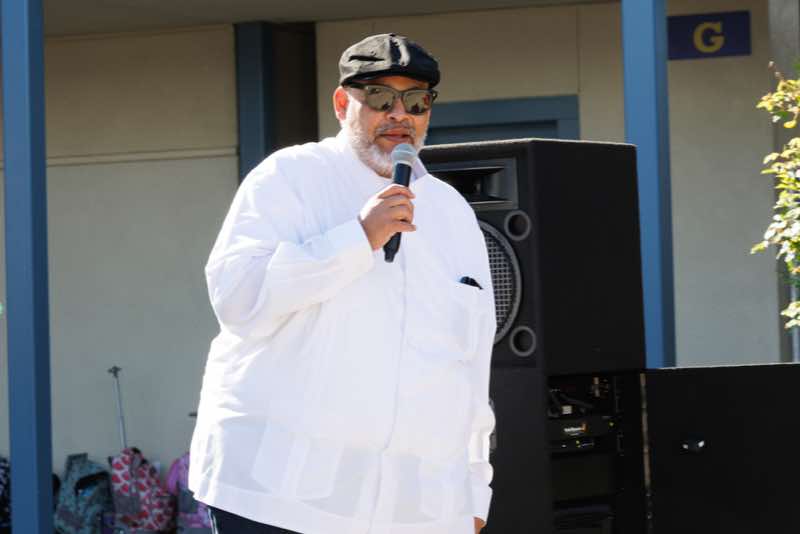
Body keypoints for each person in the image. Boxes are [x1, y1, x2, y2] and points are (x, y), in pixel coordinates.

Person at [188, 33, 497, 534]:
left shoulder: (453, 213)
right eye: (379, 97)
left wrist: (474, 487)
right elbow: (238, 299)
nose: (399, 115)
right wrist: (357, 238)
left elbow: (472, 363)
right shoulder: (289, 178)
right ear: (341, 104)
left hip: (411, 512)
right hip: (278, 498)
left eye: (416, 101)